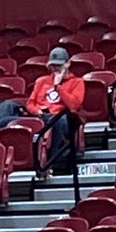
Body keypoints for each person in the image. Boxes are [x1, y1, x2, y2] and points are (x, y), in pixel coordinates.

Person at [25, 47, 85, 175]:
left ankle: (47, 164)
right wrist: (37, 111)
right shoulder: (42, 81)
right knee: (5, 122)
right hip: (41, 115)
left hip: (63, 118)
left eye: (59, 65)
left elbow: (73, 106)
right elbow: (30, 103)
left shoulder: (77, 82)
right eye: (53, 65)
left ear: (67, 64)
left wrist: (58, 87)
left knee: (58, 121)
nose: (56, 68)